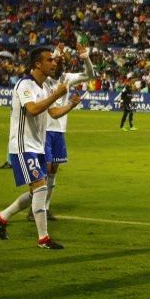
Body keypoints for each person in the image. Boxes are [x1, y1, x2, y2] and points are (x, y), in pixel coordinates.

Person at [0, 46, 79, 249]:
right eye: (50, 60)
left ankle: (2, 217)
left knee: (36, 192)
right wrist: (57, 94)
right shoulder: (25, 85)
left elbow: (54, 113)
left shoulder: (45, 87)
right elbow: (32, 110)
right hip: (23, 145)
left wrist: (71, 105)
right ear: (37, 64)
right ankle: (44, 239)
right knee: (40, 188)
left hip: (37, 146)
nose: (54, 63)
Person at [27, 42, 93, 222]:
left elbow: (90, 74)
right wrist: (57, 52)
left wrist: (85, 57)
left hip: (59, 130)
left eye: (60, 62)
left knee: (53, 170)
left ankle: (45, 207)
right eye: (55, 61)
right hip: (45, 129)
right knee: (44, 170)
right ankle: (34, 208)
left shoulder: (67, 78)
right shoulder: (45, 79)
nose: (57, 64)